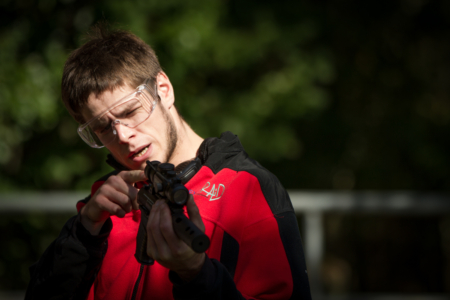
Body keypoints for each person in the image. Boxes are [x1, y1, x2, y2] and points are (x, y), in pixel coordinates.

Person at [25, 24, 311, 300]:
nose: (122, 135)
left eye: (130, 111)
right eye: (102, 127)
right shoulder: (103, 208)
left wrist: (195, 275)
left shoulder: (246, 189)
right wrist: (85, 231)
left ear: (163, 88)